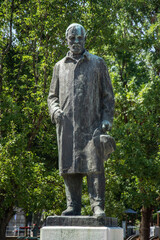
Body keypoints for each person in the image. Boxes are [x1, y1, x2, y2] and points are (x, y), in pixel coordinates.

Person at [48, 23, 115, 217]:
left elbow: (107, 96)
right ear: (66, 40)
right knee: (69, 167)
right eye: (72, 38)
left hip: (92, 125)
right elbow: (52, 96)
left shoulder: (97, 63)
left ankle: (97, 206)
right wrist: (55, 111)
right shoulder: (59, 66)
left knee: (94, 167)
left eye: (79, 38)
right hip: (67, 126)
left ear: (85, 39)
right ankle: (73, 205)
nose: (76, 41)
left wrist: (106, 119)